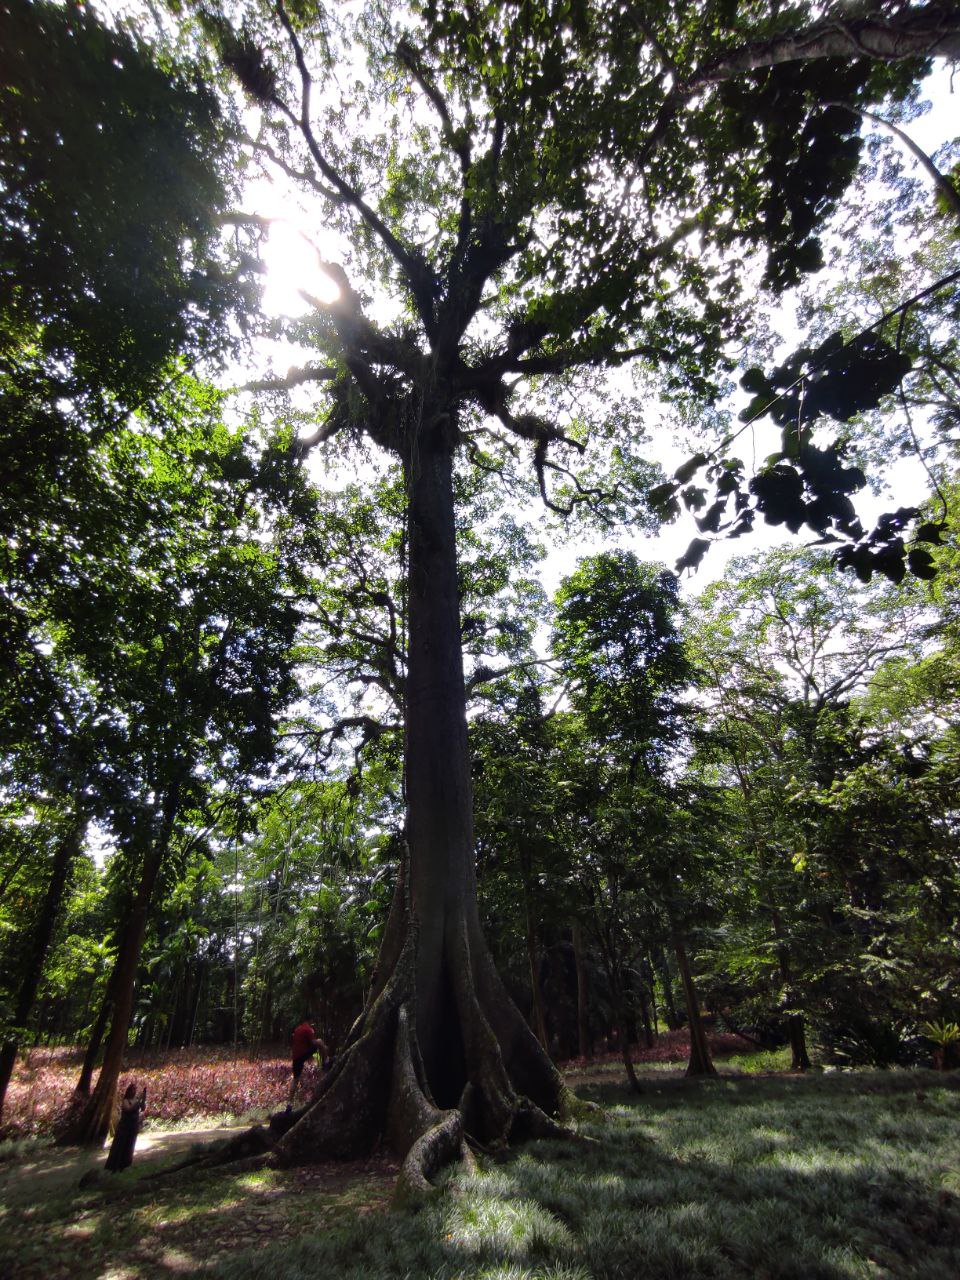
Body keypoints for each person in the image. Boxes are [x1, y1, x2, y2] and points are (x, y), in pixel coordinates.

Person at [105, 1082, 147, 1172]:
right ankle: (115, 1166)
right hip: (124, 1127)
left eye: (135, 1090)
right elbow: (128, 1109)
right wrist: (138, 1100)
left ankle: (125, 1165)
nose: (134, 1092)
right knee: (120, 1146)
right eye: (132, 1090)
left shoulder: (136, 1100)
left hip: (133, 1126)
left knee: (129, 1146)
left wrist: (143, 1098)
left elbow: (142, 1108)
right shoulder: (125, 1101)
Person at [288, 1018, 327, 1106]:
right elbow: (313, 1042)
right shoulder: (308, 1029)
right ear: (310, 1021)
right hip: (303, 1054)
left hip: (296, 1057)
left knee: (295, 1079)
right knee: (320, 1042)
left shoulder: (297, 1029)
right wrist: (323, 1047)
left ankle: (289, 1104)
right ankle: (326, 1062)